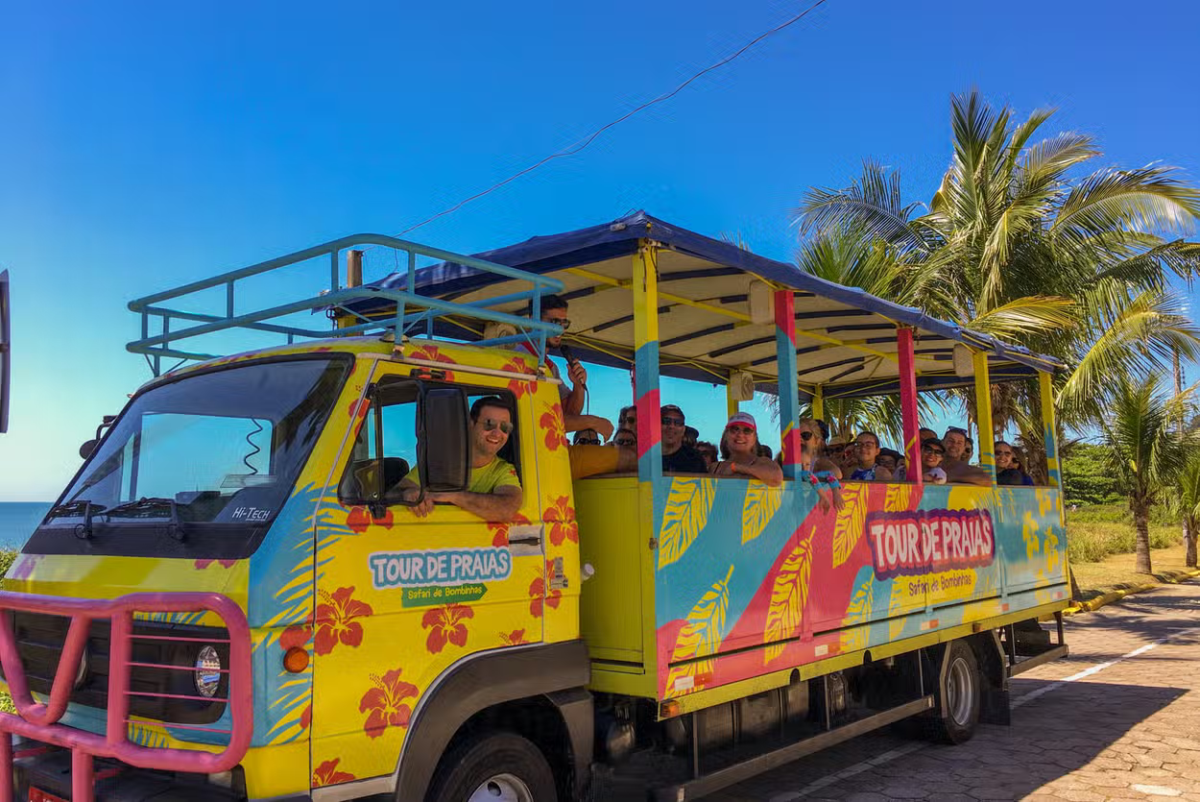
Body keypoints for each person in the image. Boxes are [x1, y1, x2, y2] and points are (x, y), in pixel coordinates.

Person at [400, 396, 522, 519]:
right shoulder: (438, 462)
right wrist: (407, 493)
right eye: (489, 424)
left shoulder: (503, 470)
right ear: (470, 424)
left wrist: (454, 496)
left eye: (505, 427)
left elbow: (507, 509)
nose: (497, 433)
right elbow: (393, 493)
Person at [710, 412, 782, 487]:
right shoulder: (714, 467)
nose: (740, 435)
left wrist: (736, 467)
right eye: (734, 429)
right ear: (726, 435)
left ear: (754, 437)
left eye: (747, 430)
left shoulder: (762, 462)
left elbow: (776, 478)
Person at [660, 404, 707, 473]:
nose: (671, 426)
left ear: (683, 429)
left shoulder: (694, 459)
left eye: (678, 422)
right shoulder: (644, 456)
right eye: (666, 421)